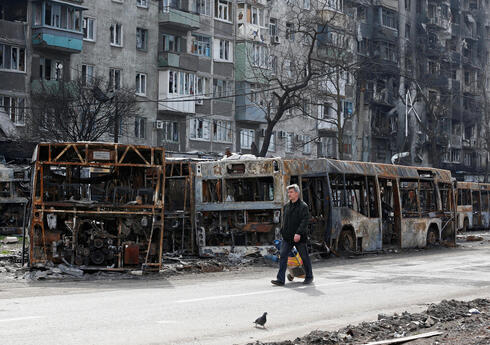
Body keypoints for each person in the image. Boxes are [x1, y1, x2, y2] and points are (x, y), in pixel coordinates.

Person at [271, 184, 313, 286]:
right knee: (283, 256)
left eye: (291, 192)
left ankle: (309, 277)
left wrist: (298, 233)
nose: (289, 194)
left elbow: (304, 221)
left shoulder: (303, 206)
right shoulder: (286, 206)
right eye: (288, 192)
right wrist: (282, 231)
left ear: (297, 193)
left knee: (304, 257)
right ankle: (280, 279)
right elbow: (285, 221)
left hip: (299, 237)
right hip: (287, 237)